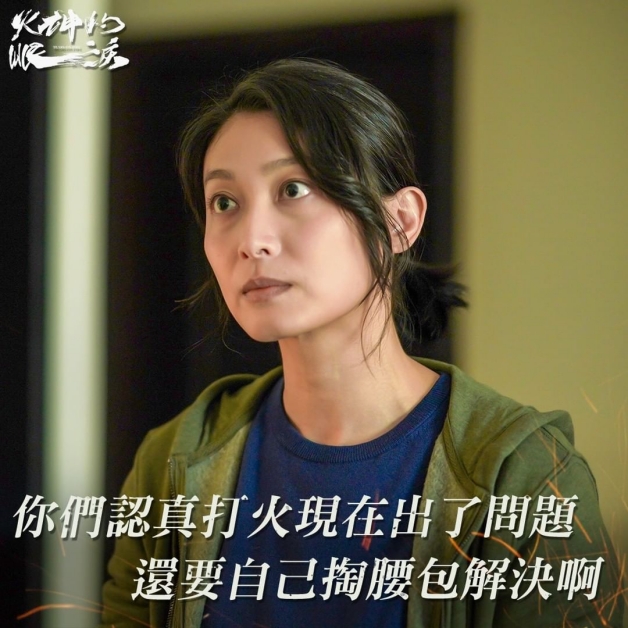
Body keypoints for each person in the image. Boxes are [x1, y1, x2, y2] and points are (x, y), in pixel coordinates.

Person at [100, 59, 623, 628]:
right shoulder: (172, 461)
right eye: (224, 202)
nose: (252, 240)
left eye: (293, 189)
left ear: (400, 222)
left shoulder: (523, 474)